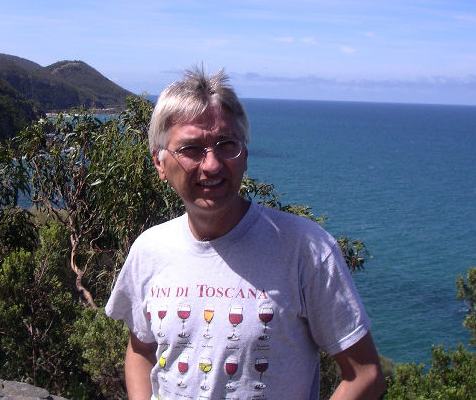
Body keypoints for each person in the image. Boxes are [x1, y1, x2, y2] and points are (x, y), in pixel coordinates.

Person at [105, 67, 386, 399]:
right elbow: (141, 349)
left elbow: (365, 375)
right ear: (159, 162)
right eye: (191, 149)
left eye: (227, 144)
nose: (212, 164)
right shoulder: (150, 249)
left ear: (246, 155)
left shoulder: (305, 249)